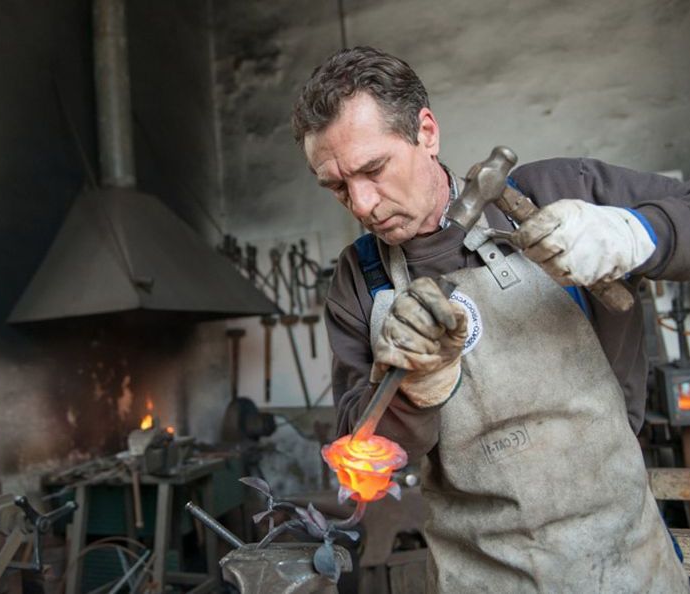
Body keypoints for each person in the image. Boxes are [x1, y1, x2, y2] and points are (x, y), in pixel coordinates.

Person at [292, 46, 690, 592]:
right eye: (337, 186)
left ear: (426, 132)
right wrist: (414, 390)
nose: (360, 204)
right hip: (477, 576)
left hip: (624, 560)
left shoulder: (552, 193)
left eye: (373, 169)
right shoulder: (359, 280)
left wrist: (635, 234)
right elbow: (362, 461)